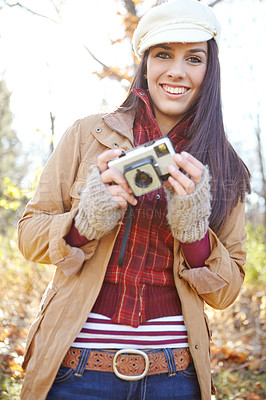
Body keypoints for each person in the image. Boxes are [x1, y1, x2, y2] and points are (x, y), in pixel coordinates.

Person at [18, 0, 251, 399]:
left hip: (176, 376)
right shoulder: (86, 135)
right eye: (163, 54)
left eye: (193, 58)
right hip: (77, 370)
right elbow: (28, 236)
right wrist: (83, 223)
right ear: (145, 63)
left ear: (209, 70)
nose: (176, 71)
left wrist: (195, 232)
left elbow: (225, 292)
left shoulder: (225, 163)